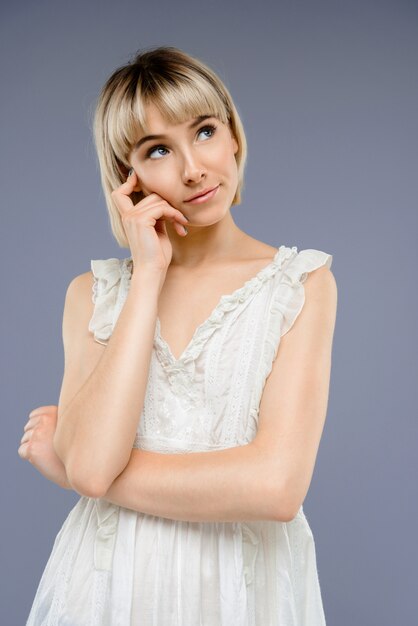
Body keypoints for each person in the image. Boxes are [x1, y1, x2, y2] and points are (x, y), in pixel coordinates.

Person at [19, 45, 337, 625]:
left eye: (206, 131)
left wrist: (76, 471)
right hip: (108, 580)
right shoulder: (92, 295)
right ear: (128, 175)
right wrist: (148, 277)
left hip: (243, 585)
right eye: (158, 149)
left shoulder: (301, 283)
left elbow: (276, 488)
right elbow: (94, 467)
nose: (193, 167)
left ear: (234, 134)